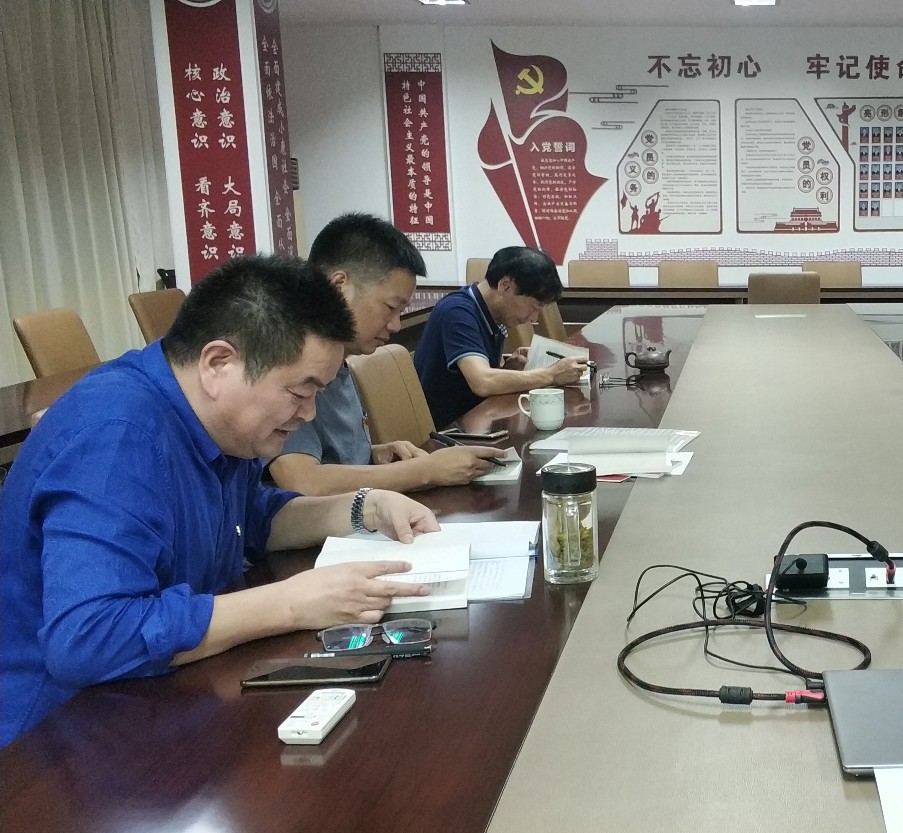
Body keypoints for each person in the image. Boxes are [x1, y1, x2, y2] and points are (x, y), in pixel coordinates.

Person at [0, 256, 440, 746]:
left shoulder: (220, 425)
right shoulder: (118, 435)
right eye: (300, 391)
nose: (309, 413)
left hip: (161, 697)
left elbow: (251, 518)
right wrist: (292, 603)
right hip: (52, 738)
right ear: (218, 364)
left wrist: (365, 507)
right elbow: (88, 639)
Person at [267, 213, 504, 495]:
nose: (395, 325)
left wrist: (373, 453)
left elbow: (331, 455)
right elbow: (302, 482)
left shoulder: (341, 356)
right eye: (391, 307)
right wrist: (425, 471)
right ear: (339, 286)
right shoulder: (289, 360)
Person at [413, 245, 587, 428]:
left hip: (478, 420)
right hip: (450, 431)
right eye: (534, 307)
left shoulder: (489, 313)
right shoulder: (457, 312)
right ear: (506, 286)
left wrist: (508, 369)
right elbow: (483, 382)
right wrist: (552, 374)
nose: (534, 318)